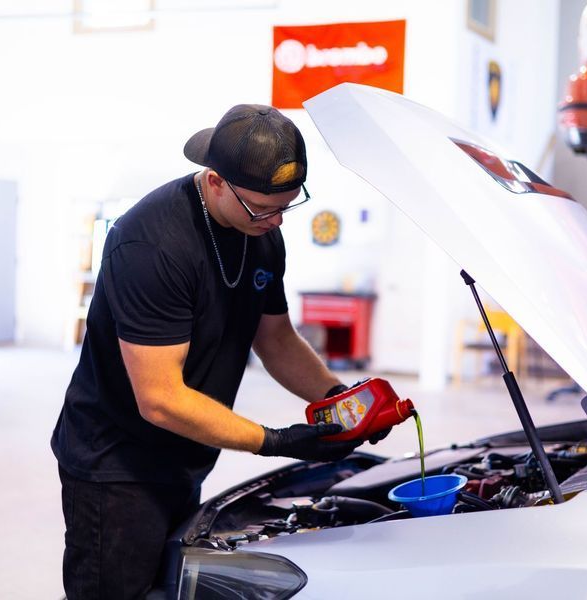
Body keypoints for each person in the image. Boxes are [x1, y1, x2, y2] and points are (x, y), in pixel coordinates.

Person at [50, 104, 371, 599]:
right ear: (216, 180)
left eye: (287, 205)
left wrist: (342, 400)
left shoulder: (261, 233)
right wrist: (278, 441)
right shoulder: (151, 245)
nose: (277, 220)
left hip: (185, 452)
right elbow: (160, 398)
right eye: (263, 208)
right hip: (117, 468)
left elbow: (277, 339)